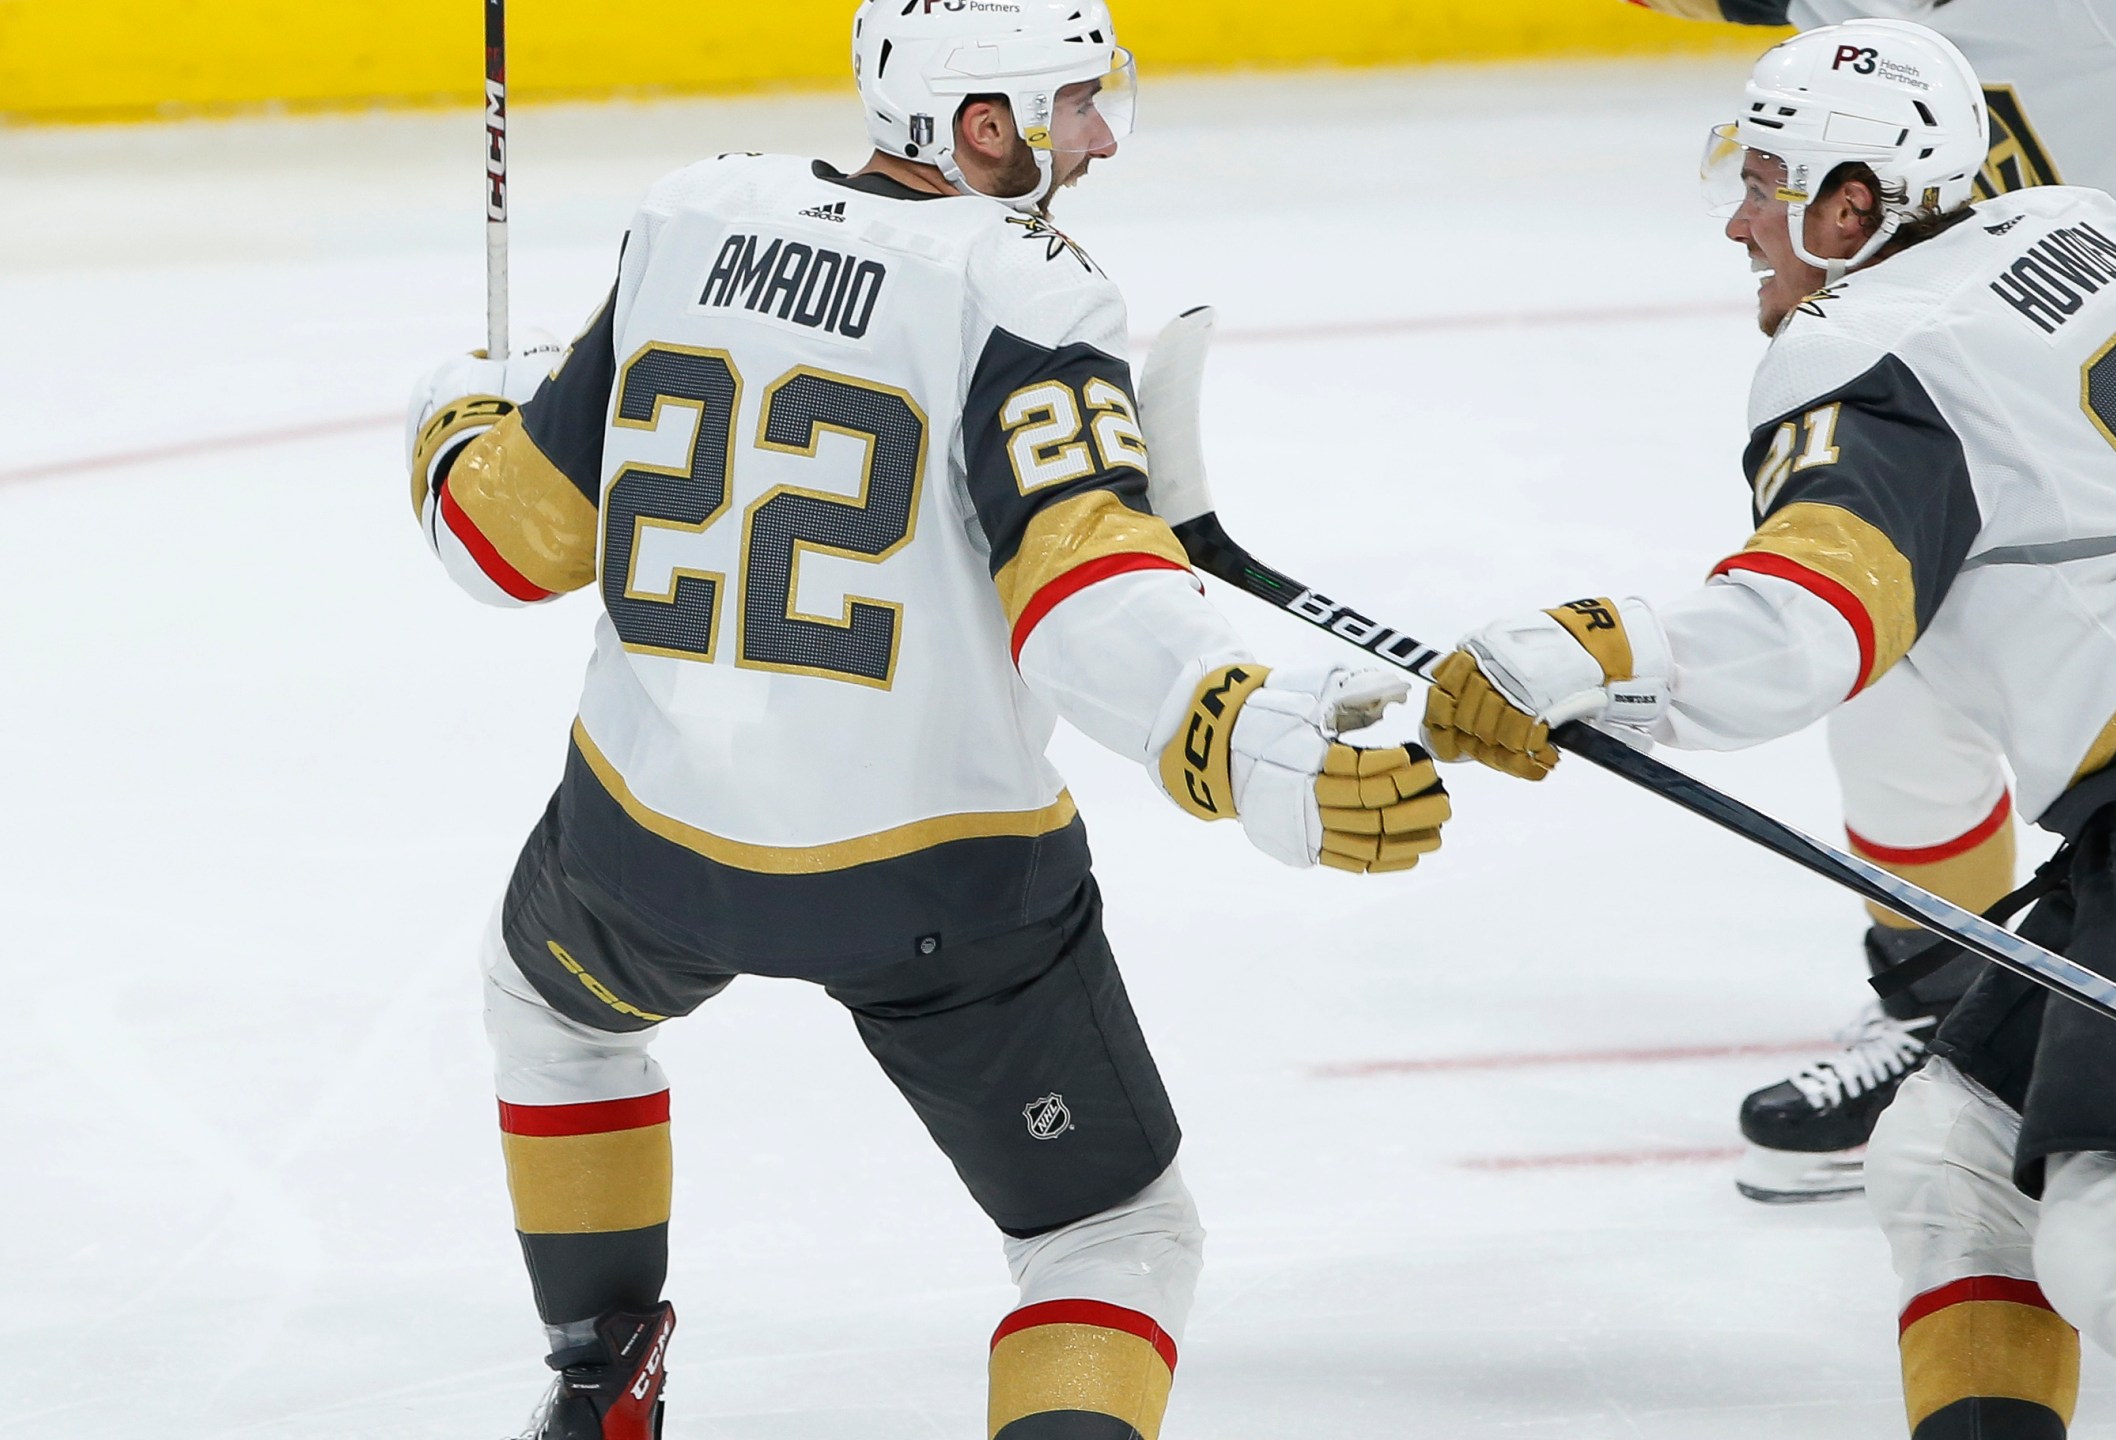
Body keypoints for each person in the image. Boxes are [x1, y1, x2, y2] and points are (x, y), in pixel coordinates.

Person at [1422, 20, 2116, 1436]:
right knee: (1946, 1160)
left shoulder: (1863, 348)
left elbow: (1814, 624)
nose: (1741, 221)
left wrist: (1582, 651)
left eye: (1764, 184)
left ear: (1851, 204)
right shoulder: (2085, 231)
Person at [402, 2, 1451, 1435]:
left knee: (553, 1017)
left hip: (643, 852)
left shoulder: (691, 216)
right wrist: (1241, 732)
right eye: (1071, 103)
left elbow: (499, 544)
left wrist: (462, 421)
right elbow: (1082, 593)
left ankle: (599, 1385)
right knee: (1109, 1239)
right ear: (981, 124)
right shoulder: (1020, 284)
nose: (1093, 135)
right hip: (933, 883)